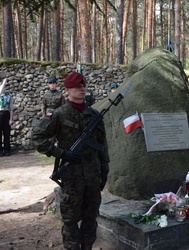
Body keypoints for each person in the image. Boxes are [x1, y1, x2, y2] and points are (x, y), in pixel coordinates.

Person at [32, 72, 110, 249]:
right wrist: (60, 153)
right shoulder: (59, 114)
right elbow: (37, 137)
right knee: (70, 219)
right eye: (77, 87)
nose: (81, 89)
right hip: (71, 176)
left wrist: (105, 168)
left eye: (83, 86)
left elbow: (102, 144)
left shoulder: (94, 115)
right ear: (67, 90)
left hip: (92, 175)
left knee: (90, 218)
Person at [0, 83, 14, 157]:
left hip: (6, 114)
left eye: (3, 87)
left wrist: (11, 119)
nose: (3, 88)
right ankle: (0, 151)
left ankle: (7, 150)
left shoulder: (8, 96)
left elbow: (11, 108)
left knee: (7, 133)